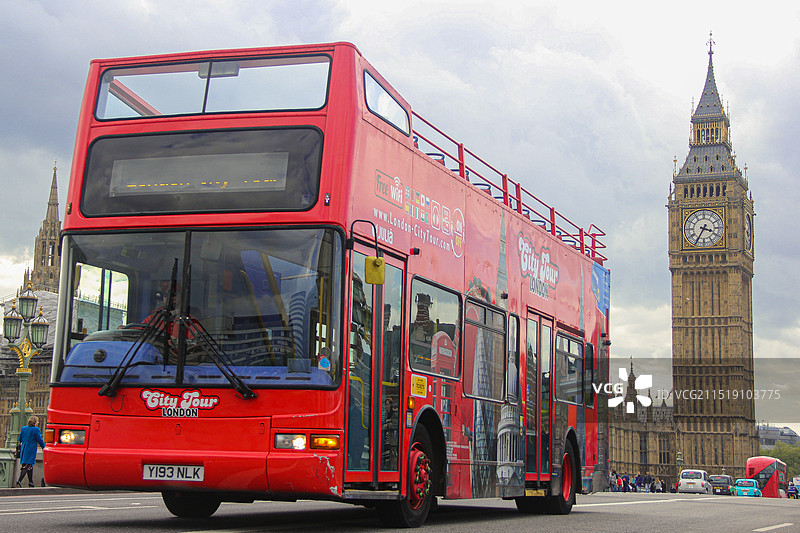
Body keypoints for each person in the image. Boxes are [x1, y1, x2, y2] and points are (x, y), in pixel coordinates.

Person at [16, 415, 46, 488]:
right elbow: (39, 440)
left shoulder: (23, 428)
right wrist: (44, 447)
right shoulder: (36, 429)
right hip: (31, 449)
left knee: (29, 465)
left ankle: (31, 482)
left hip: (24, 448)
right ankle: (19, 481)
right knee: (27, 465)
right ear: (35, 422)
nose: (38, 423)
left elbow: (20, 438)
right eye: (37, 421)